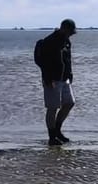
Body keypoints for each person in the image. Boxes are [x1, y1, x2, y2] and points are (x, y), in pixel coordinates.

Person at [39, 18, 77, 146]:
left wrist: (70, 74)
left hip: (65, 79)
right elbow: (43, 63)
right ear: (64, 28)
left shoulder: (66, 41)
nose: (72, 34)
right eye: (71, 31)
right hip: (52, 80)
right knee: (52, 108)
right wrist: (47, 79)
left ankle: (57, 131)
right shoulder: (50, 41)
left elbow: (67, 60)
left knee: (70, 103)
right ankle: (52, 137)